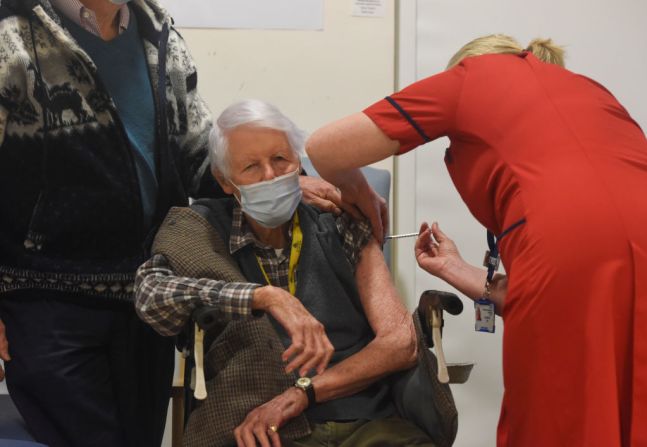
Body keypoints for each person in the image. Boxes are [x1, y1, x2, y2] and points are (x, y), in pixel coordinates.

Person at [0, 2, 341, 446]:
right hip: (47, 303)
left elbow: (198, 156)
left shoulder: (156, 30)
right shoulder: (11, 32)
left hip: (145, 300)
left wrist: (284, 180)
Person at [306, 34, 647, 446]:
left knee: (554, 413)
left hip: (562, 250)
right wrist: (457, 269)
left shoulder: (469, 78)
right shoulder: (590, 92)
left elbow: (324, 148)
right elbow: (590, 268)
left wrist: (358, 189)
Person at [135, 99, 450, 447]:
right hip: (259, 425)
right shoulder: (201, 229)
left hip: (366, 419)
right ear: (224, 181)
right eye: (252, 167)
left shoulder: (338, 219)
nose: (270, 176)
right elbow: (151, 297)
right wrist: (263, 297)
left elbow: (400, 343)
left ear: (298, 161)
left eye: (280, 159)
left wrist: (306, 393)